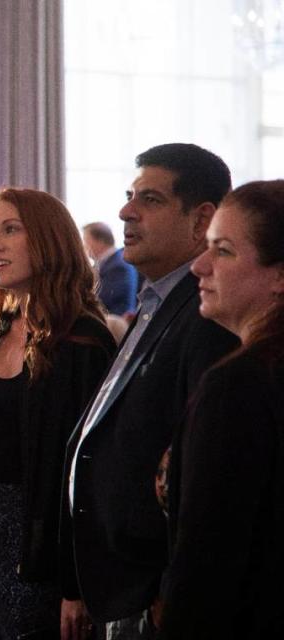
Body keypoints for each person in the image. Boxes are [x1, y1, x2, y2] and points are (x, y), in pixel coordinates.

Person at [64, 143, 239, 639]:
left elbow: (202, 477)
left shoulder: (207, 318)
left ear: (200, 219)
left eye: (151, 199)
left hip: (154, 596)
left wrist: (170, 592)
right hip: (118, 590)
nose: (126, 211)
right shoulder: (157, 299)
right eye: (128, 195)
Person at [0, 188, 115, 639]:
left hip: (43, 541)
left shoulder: (84, 340)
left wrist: (77, 584)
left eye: (10, 229)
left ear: (49, 238)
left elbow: (92, 472)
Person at [159, 180, 284, 639]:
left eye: (224, 250)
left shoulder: (241, 384)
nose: (200, 265)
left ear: (279, 275)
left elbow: (208, 562)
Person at [82, 222, 139, 316]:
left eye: (86, 240)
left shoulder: (119, 265)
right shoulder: (105, 263)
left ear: (100, 241)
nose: (84, 246)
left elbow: (102, 300)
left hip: (115, 325)